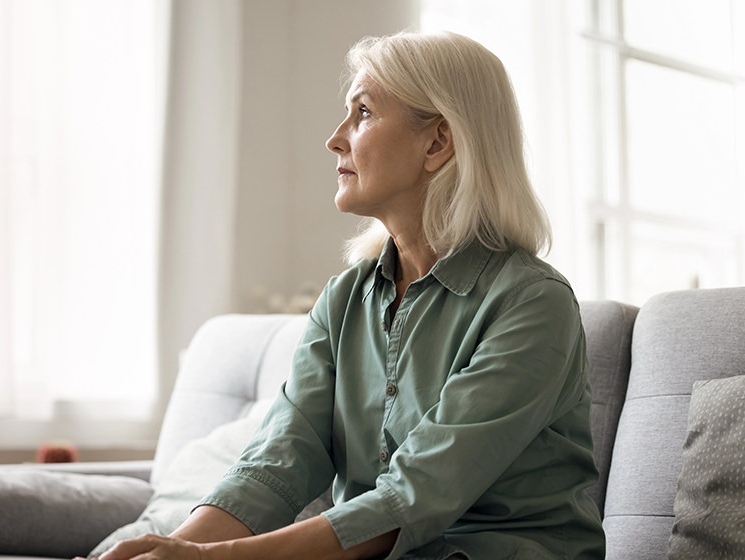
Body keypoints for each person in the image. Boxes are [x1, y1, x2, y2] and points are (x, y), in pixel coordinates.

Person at [99, 30, 606, 560]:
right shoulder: (343, 301)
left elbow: (418, 495)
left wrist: (209, 559)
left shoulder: (532, 303)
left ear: (437, 142)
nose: (335, 138)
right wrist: (167, 550)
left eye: (362, 112)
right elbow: (277, 464)